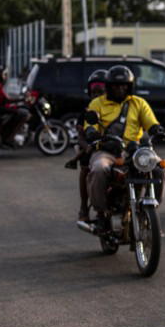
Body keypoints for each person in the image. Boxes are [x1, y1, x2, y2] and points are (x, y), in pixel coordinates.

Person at [84, 65, 165, 236]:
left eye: (124, 85)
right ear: (108, 86)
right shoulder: (97, 103)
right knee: (99, 169)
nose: (120, 89)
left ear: (129, 86)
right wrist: (91, 132)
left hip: (134, 151)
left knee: (160, 168)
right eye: (115, 85)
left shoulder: (138, 103)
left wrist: (157, 130)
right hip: (106, 150)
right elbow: (89, 125)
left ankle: (153, 209)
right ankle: (101, 213)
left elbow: (151, 123)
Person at [65, 69, 108, 228]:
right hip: (92, 148)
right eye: (94, 92)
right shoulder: (86, 112)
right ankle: (84, 207)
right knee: (85, 167)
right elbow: (81, 137)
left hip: (115, 148)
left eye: (101, 92)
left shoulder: (116, 108)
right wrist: (88, 146)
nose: (97, 96)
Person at [0, 65, 28, 146]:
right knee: (23, 114)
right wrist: (21, 100)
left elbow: (5, 98)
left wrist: (19, 99)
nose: (5, 76)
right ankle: (10, 137)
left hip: (0, 106)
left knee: (20, 110)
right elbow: (4, 100)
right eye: (3, 74)